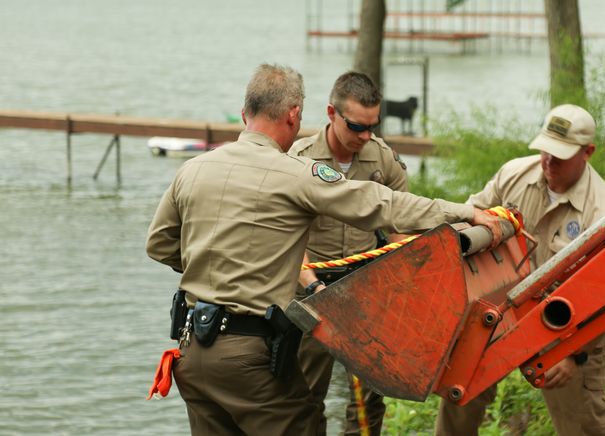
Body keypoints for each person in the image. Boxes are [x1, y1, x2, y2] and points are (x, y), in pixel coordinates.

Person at [146, 63, 504, 436]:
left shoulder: (193, 169)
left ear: (244, 114)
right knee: (305, 423)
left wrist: (215, 267)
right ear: (294, 114)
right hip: (250, 355)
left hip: (192, 351)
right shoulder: (298, 171)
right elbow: (385, 205)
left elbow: (159, 244)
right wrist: (466, 213)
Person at [435, 104, 605, 436]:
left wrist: (572, 354)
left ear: (588, 152)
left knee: (582, 422)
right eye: (546, 150)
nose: (548, 161)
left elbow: (602, 296)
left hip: (566, 324)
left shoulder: (604, 211)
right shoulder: (514, 175)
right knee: (459, 395)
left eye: (560, 156)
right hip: (499, 308)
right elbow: (471, 217)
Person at [289, 71, 405, 436]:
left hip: (366, 286)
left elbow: (401, 226)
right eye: (356, 126)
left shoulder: (382, 159)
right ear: (331, 113)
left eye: (373, 126)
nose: (365, 136)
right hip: (310, 286)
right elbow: (288, 239)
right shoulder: (298, 161)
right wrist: (313, 288)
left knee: (369, 397)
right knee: (306, 393)